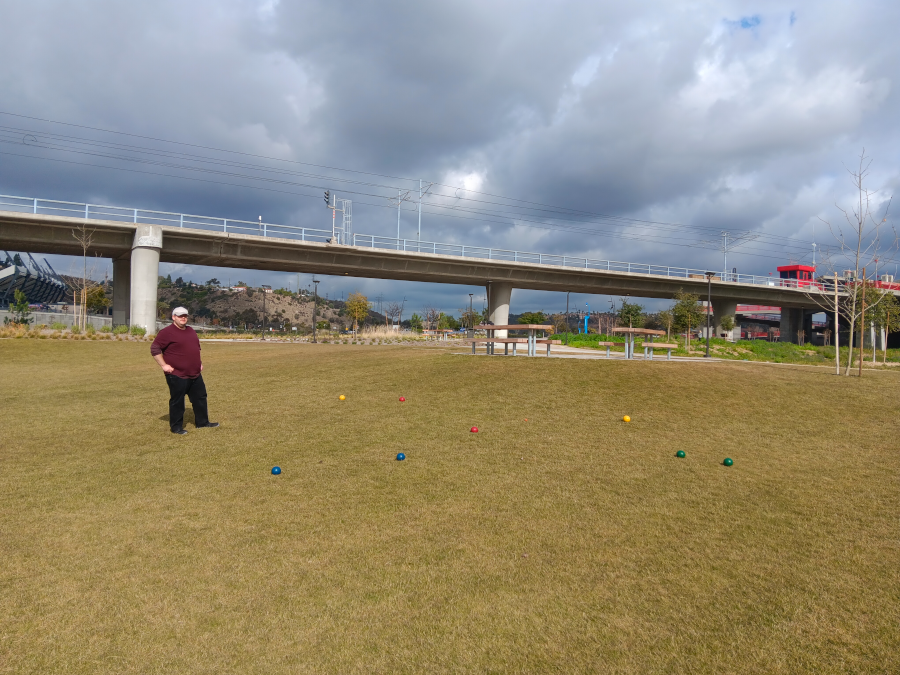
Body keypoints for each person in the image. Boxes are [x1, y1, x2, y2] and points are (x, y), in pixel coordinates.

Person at [150, 306, 218, 435]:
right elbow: (155, 349)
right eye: (180, 316)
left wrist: (200, 363)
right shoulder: (166, 332)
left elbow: (195, 348)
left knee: (200, 398)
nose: (183, 318)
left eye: (185, 316)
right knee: (177, 401)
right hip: (177, 374)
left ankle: (202, 423)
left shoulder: (191, 331)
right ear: (173, 317)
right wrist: (164, 365)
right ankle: (176, 428)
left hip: (195, 373)